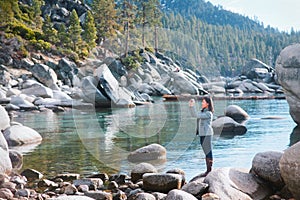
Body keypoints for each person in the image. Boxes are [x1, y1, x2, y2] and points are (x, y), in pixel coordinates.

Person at [189, 96, 214, 177]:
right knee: (206, 152)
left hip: (207, 134)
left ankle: (209, 170)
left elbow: (196, 115)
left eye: (203, 102)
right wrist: (191, 107)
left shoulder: (208, 113)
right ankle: (208, 170)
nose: (202, 103)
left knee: (208, 152)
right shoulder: (203, 112)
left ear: (207, 104)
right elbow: (194, 115)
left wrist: (192, 106)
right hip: (202, 134)